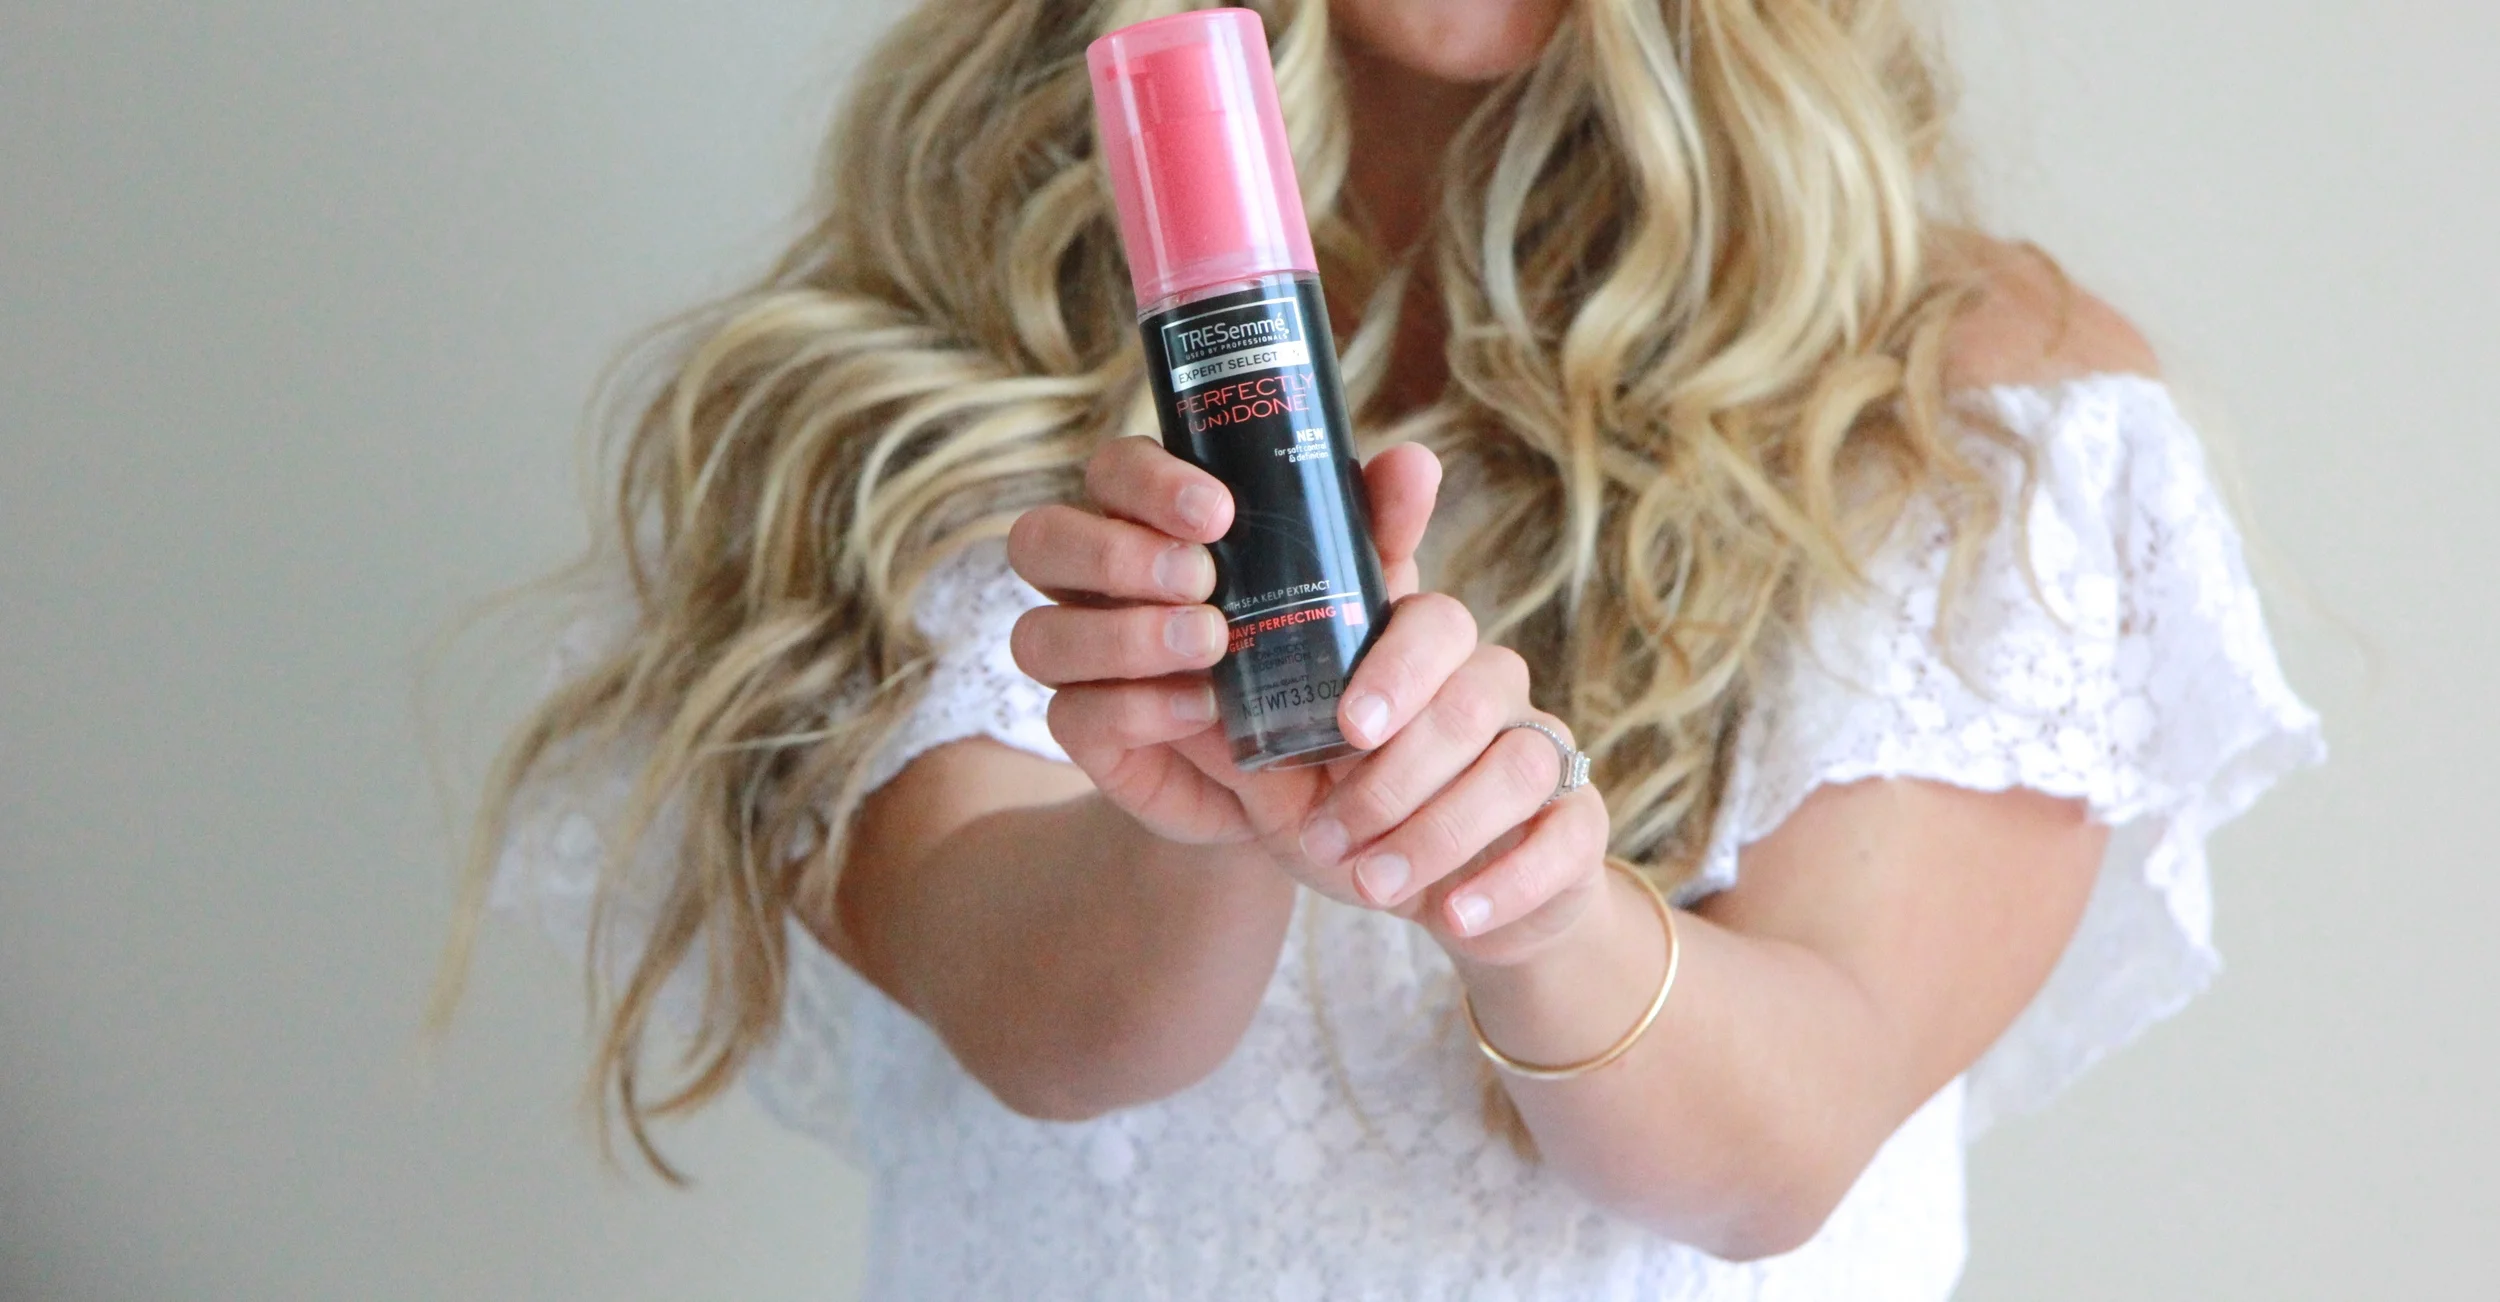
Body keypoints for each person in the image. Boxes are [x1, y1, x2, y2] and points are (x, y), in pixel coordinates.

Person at [453, 0, 2324, 1295]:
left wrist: (1540, 907)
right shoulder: (925, 383)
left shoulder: (1969, 403)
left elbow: (1781, 1149)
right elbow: (1048, 1030)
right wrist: (1195, 807)